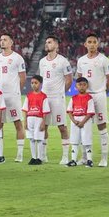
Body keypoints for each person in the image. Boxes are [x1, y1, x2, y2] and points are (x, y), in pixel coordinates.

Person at [76, 33, 109, 167]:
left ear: (97, 44)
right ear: (85, 44)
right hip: (85, 97)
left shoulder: (104, 60)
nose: (92, 44)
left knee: (101, 125)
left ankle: (104, 158)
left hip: (98, 95)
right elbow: (79, 79)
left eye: (94, 42)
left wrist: (103, 92)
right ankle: (84, 157)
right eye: (89, 42)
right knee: (84, 126)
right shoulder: (81, 60)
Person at [39, 35, 72, 164]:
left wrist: (60, 92)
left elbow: (69, 80)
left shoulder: (63, 61)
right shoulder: (42, 62)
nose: (47, 44)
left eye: (50, 42)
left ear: (57, 45)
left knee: (62, 127)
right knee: (44, 126)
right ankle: (43, 155)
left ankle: (65, 157)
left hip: (58, 98)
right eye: (46, 42)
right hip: (45, 99)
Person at [0, 33, 26, 162]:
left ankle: (19, 154)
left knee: (17, 123)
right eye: (1, 40)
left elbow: (23, 77)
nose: (2, 42)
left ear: (11, 42)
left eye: (5, 40)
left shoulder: (18, 58)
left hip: (13, 95)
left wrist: (16, 91)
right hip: (0, 95)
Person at [66, 77, 95, 167]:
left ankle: (89, 160)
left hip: (85, 121)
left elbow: (90, 113)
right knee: (74, 141)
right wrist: (74, 121)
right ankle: (73, 160)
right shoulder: (73, 98)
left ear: (87, 86)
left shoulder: (89, 98)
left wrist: (82, 122)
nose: (82, 87)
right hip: (75, 120)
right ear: (76, 86)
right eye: (79, 85)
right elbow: (69, 111)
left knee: (87, 140)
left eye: (84, 85)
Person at [22, 75, 50, 165]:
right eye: (32, 83)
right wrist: (25, 121)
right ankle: (33, 157)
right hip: (30, 118)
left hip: (39, 119)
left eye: (36, 83)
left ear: (40, 84)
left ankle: (39, 158)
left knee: (39, 139)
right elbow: (25, 109)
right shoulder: (28, 96)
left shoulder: (43, 96)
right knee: (31, 139)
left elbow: (45, 111)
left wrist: (43, 123)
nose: (34, 85)